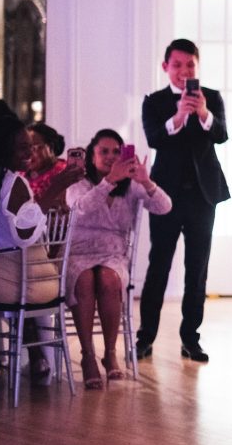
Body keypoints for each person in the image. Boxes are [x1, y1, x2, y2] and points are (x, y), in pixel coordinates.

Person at [136, 39, 229, 364]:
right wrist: (178, 116)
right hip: (165, 196)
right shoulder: (155, 101)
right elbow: (154, 138)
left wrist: (202, 112)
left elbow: (221, 134)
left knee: (197, 270)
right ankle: (145, 337)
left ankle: (191, 339)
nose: (184, 71)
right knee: (158, 265)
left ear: (196, 67)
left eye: (190, 65)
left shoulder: (212, 97)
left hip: (204, 195)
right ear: (166, 67)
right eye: (177, 65)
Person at [66, 129, 171, 389]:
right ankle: (87, 355)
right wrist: (108, 182)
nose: (111, 157)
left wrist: (147, 182)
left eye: (116, 151)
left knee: (109, 279)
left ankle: (110, 353)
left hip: (114, 255)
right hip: (79, 254)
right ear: (91, 155)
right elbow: (79, 209)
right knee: (86, 278)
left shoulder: (133, 187)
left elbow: (165, 207)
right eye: (104, 151)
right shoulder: (77, 184)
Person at [0, 117, 52, 384]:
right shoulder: (13, 182)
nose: (30, 153)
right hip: (16, 284)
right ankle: (36, 357)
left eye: (31, 147)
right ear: (4, 149)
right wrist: (56, 189)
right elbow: (24, 235)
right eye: (22, 148)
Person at [25, 123, 84, 211]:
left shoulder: (65, 173)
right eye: (25, 148)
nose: (28, 153)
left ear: (50, 147)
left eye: (34, 148)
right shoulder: (20, 173)